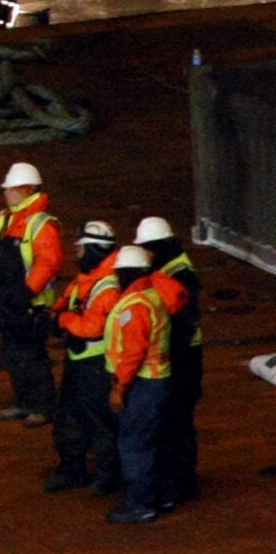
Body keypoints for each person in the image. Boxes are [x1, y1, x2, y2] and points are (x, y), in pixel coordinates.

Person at [0, 162, 65, 426]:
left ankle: (44, 406)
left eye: (11, 189)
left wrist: (26, 292)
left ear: (26, 190)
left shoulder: (41, 224)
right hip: (8, 302)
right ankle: (25, 402)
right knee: (14, 354)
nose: (5, 193)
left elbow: (49, 262)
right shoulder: (8, 218)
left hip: (28, 305)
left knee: (32, 356)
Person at [46, 220, 123, 492]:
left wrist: (62, 319)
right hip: (79, 362)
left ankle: (108, 475)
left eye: (80, 250)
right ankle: (72, 468)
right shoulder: (90, 279)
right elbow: (68, 299)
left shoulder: (108, 287)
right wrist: (54, 314)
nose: (76, 255)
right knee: (69, 415)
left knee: (98, 421)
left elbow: (92, 328)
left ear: (92, 250)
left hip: (97, 367)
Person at [134, 216, 203, 508]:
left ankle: (179, 484)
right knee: (176, 422)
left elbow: (181, 321)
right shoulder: (174, 267)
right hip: (185, 355)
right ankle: (178, 480)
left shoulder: (177, 275)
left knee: (176, 423)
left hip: (182, 358)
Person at [101, 245, 173, 525]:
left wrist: (119, 387)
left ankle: (141, 505)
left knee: (134, 445)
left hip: (142, 385)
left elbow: (133, 353)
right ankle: (162, 496)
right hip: (158, 381)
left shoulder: (135, 305)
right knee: (156, 441)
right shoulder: (152, 296)